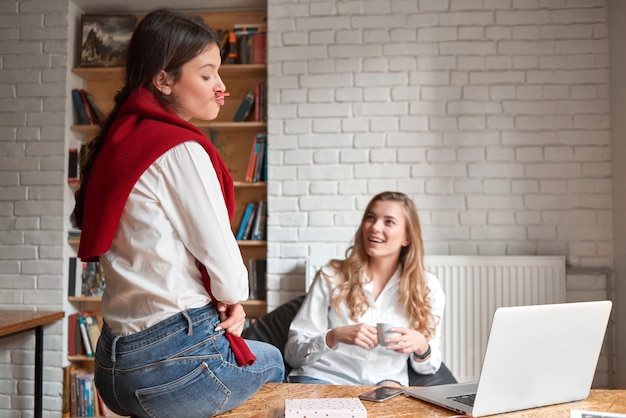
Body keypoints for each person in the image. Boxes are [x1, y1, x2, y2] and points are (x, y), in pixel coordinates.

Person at [71, 9, 284, 417]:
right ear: (163, 79)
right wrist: (233, 298)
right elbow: (223, 258)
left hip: (113, 364)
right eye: (207, 75)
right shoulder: (179, 149)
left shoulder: (122, 138)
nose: (222, 88)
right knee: (272, 360)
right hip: (167, 361)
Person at [284, 191, 445, 387]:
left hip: (385, 385)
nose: (375, 227)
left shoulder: (427, 287)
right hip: (324, 379)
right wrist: (335, 335)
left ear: (407, 238)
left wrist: (421, 345)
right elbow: (293, 353)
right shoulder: (331, 275)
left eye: (389, 222)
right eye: (371, 218)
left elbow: (429, 367)